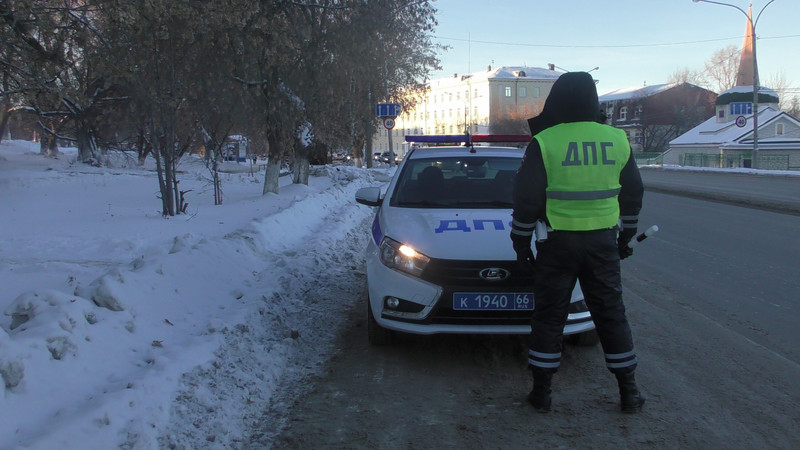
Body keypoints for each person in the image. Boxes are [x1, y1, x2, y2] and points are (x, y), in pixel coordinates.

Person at [510, 71, 645, 413]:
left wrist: (521, 243)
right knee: (611, 314)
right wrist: (626, 236)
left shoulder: (546, 141)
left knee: (549, 316)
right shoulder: (617, 139)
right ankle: (629, 392)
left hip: (557, 245)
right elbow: (633, 193)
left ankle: (542, 392)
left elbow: (527, 199)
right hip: (602, 243)